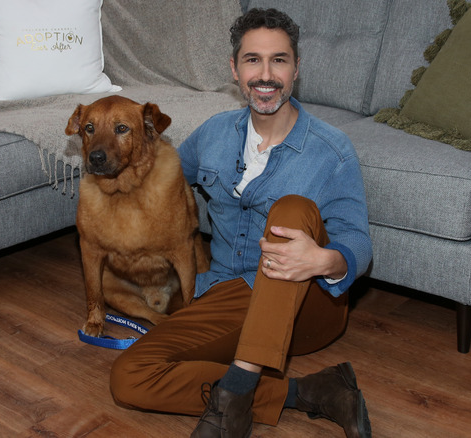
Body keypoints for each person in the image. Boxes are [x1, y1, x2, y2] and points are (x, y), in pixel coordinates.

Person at [109, 8, 372, 438]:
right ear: (234, 69)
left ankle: (235, 395)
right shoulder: (214, 133)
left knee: (290, 210)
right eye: (253, 60)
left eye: (279, 60)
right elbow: (162, 181)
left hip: (306, 304)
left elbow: (359, 243)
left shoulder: (331, 150)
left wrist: (324, 260)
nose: (265, 74)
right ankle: (308, 391)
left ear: (296, 69)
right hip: (227, 296)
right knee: (130, 376)